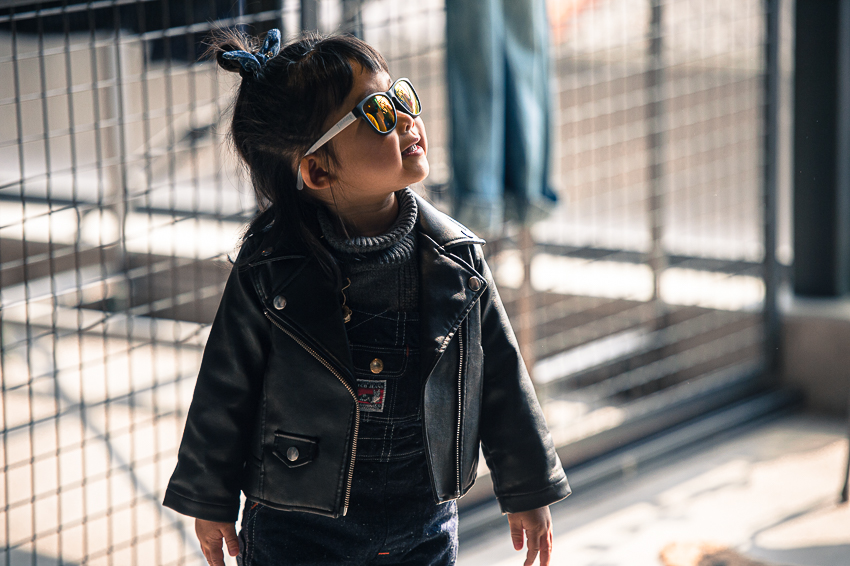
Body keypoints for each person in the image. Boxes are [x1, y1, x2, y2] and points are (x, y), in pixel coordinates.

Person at [162, 28, 570, 566]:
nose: (405, 118)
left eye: (400, 97)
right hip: (297, 523)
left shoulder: (455, 258)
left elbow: (500, 377)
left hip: (422, 519)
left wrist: (529, 486)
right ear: (318, 169)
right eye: (376, 113)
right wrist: (207, 498)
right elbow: (224, 386)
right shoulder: (270, 268)